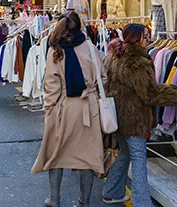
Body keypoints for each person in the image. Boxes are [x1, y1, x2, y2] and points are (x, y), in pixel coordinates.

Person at [101, 24, 177, 206]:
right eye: (145, 37)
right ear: (136, 39)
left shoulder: (114, 56)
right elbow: (150, 94)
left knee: (125, 154)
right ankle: (142, 203)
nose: (149, 40)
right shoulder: (138, 63)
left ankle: (111, 191)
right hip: (134, 120)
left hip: (117, 118)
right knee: (138, 160)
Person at [31, 12, 105, 207]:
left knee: (56, 153)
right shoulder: (90, 46)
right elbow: (102, 78)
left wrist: (49, 111)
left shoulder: (55, 50)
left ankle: (54, 199)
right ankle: (84, 202)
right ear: (80, 26)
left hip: (64, 107)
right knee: (87, 156)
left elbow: (52, 86)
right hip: (89, 108)